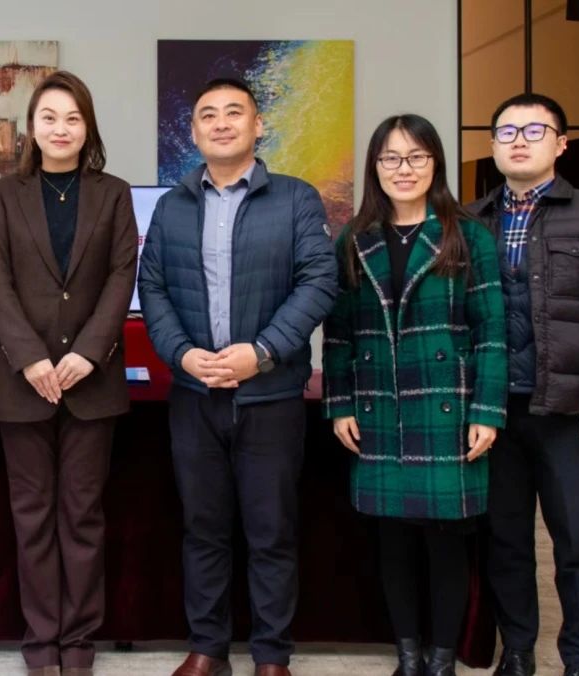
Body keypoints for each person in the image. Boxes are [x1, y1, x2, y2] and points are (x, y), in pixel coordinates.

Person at [137, 77, 337, 676]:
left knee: (272, 531)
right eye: (208, 115)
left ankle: (272, 656)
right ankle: (208, 648)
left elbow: (319, 282)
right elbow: (153, 288)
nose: (221, 123)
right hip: (195, 396)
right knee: (203, 529)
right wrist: (182, 355)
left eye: (234, 112)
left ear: (257, 125)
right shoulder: (172, 206)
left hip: (270, 395)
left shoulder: (296, 199)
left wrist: (263, 351)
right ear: (194, 131)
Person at [322, 114, 507, 676]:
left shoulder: (466, 235)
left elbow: (491, 331)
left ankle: (442, 660)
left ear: (435, 164)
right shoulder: (354, 240)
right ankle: (408, 657)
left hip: (445, 408)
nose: (403, 169)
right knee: (393, 542)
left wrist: (486, 411)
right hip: (378, 408)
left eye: (416, 157)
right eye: (391, 158)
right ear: (375, 167)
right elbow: (338, 334)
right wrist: (340, 404)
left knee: (446, 542)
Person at [467, 93, 579, 676]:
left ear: (561, 144)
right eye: (507, 131)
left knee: (578, 540)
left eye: (534, 130)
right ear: (492, 144)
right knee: (505, 539)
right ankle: (517, 650)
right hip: (493, 411)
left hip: (568, 410)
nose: (518, 140)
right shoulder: (470, 221)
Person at [0, 70, 138, 676]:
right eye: (49, 117)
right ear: (32, 128)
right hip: (21, 381)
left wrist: (88, 353)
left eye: (73, 118)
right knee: (32, 516)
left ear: (87, 127)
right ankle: (42, 641)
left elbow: (122, 276)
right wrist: (31, 357)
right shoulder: (4, 195)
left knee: (83, 515)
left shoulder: (113, 194)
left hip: (91, 380)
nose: (61, 128)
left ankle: (79, 641)